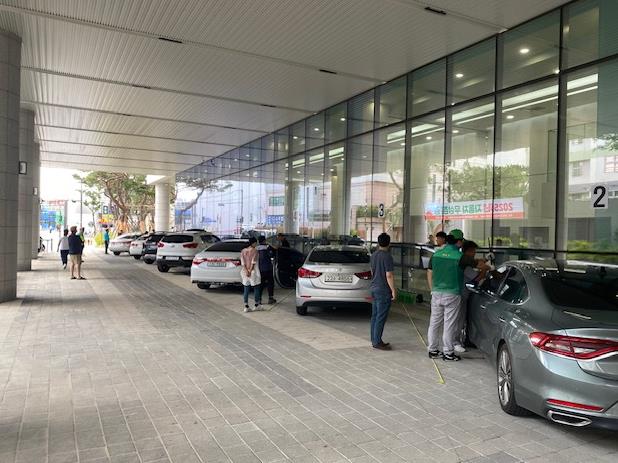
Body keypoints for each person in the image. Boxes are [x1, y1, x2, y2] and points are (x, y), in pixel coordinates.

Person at [426, 234, 463, 361]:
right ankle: (448, 353)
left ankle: (432, 350)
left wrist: (432, 289)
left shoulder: (436, 255)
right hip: (452, 294)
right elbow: (474, 267)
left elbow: (429, 272)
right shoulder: (460, 256)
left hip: (436, 292)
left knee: (434, 322)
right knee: (449, 324)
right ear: (458, 242)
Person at [455, 241, 491, 352]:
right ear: (468, 251)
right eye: (473, 251)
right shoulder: (465, 266)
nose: (474, 253)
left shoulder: (464, 261)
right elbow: (476, 278)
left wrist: (484, 260)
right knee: (459, 320)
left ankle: (460, 341)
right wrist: (485, 269)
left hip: (462, 294)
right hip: (461, 295)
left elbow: (476, 262)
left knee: (460, 319)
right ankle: (455, 342)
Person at [370, 232, 396, 351]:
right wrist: (393, 290)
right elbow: (389, 275)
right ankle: (377, 342)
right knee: (381, 316)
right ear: (389, 243)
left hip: (374, 287)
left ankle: (374, 339)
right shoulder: (387, 256)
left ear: (378, 242)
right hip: (383, 290)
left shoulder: (374, 255)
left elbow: (372, 271)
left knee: (375, 315)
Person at [240, 237, 262, 312]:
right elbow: (253, 262)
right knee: (256, 288)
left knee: (246, 288)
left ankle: (246, 306)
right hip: (253, 272)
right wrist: (249, 271)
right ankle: (256, 305)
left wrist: (246, 271)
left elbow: (243, 263)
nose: (256, 244)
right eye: (256, 243)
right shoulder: (255, 251)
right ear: (253, 243)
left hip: (244, 272)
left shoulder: (243, 251)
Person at [257, 236, 276, 304]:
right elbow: (272, 255)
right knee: (270, 283)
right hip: (268, 268)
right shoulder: (267, 248)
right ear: (264, 240)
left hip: (260, 269)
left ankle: (259, 299)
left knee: (261, 284)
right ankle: (270, 298)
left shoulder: (256, 248)